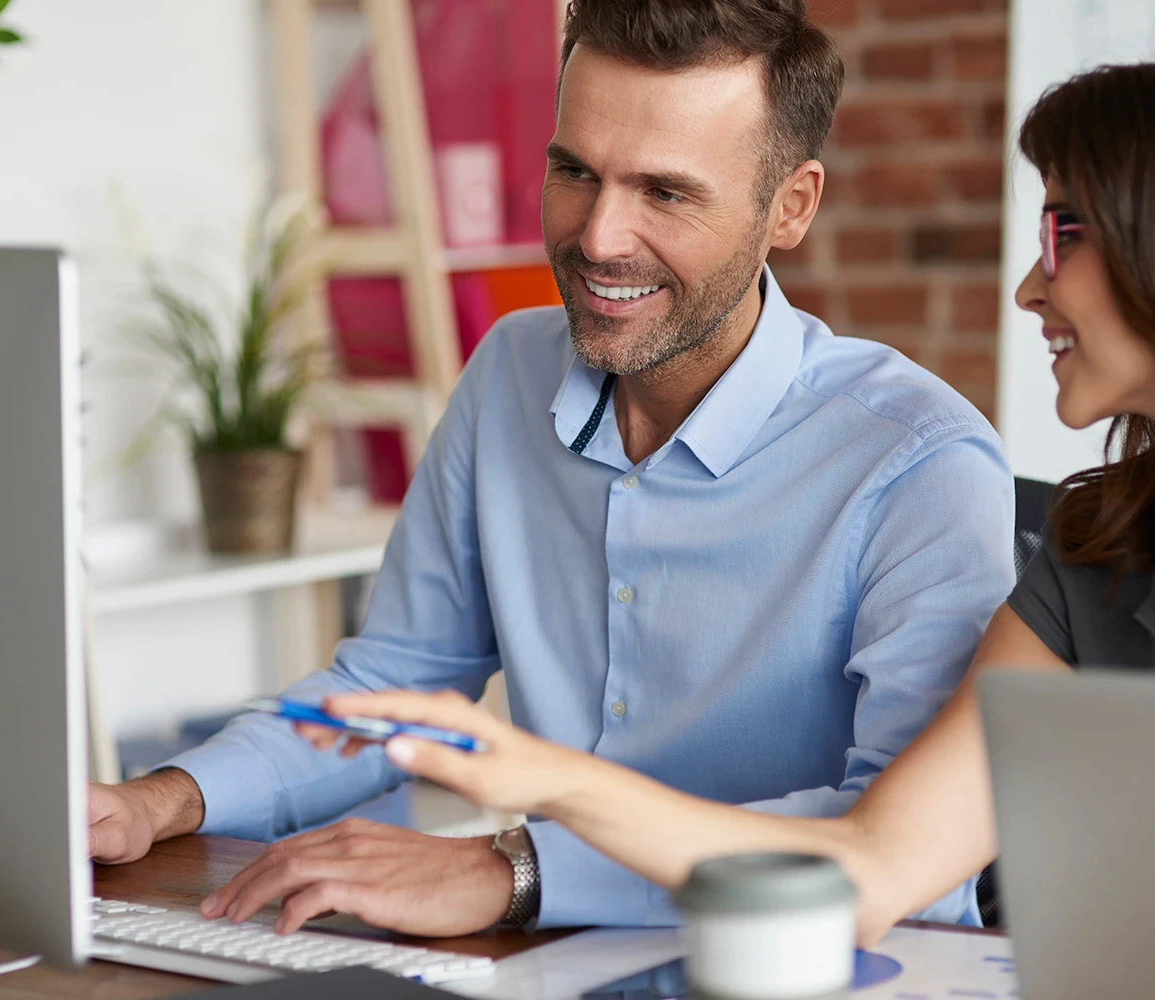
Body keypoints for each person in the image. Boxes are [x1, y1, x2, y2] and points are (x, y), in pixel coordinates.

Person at [294, 53, 1155, 946]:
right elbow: (871, 871)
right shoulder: (1089, 561)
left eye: (1068, 234)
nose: (1029, 287)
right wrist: (546, 786)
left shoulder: (926, 458)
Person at [86, 0, 1015, 939]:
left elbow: (907, 863)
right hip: (545, 960)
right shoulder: (507, 374)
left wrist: (516, 871)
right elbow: (398, 677)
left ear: (790, 207)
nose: (600, 237)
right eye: (574, 171)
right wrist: (168, 799)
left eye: (665, 192)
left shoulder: (918, 463)